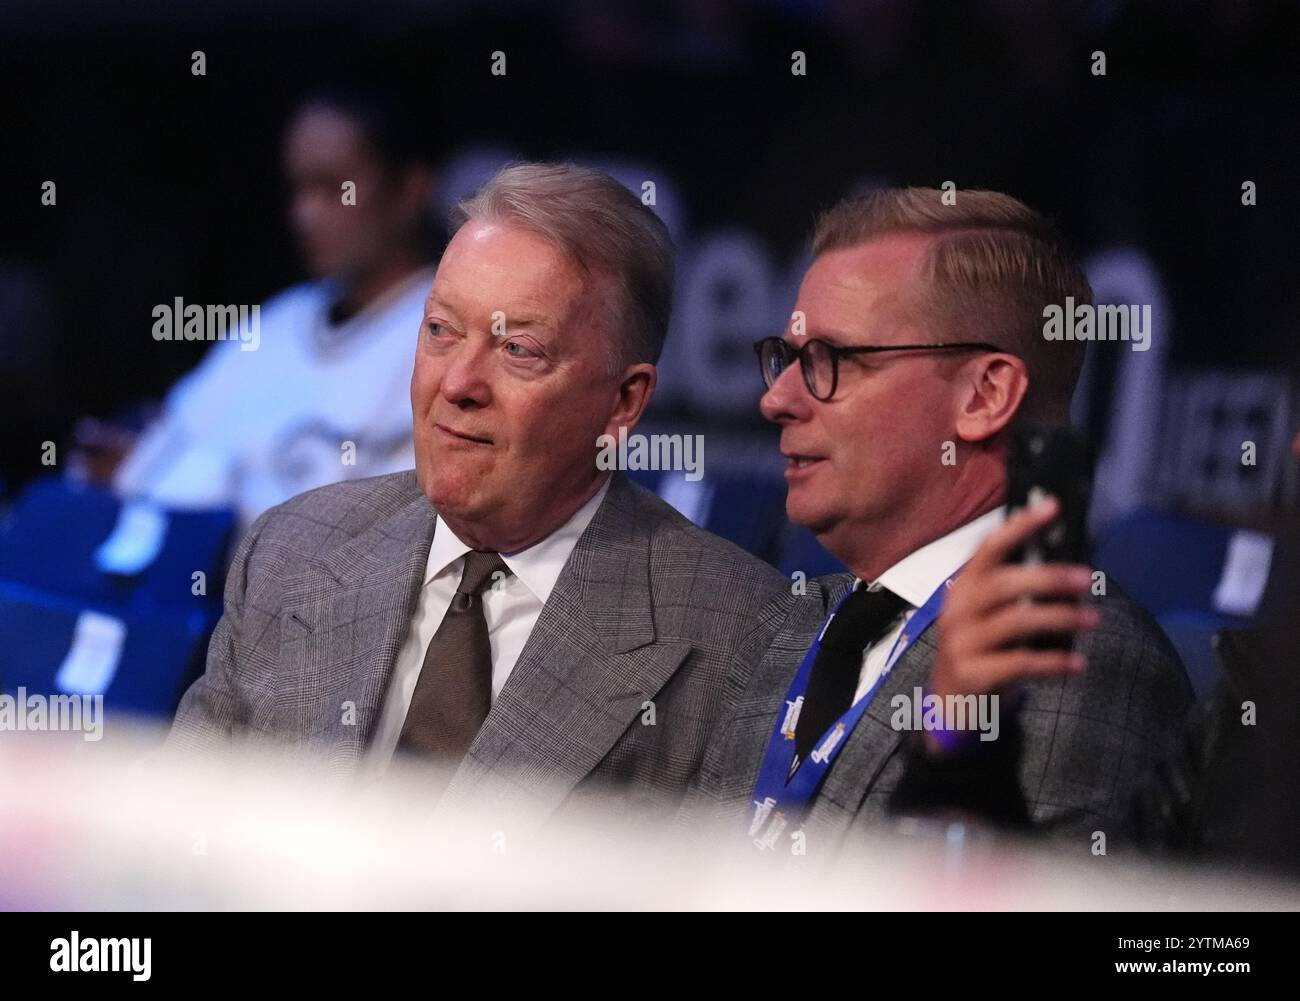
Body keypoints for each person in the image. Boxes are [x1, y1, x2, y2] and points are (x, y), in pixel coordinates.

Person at [166, 163, 788, 826]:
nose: (457, 382)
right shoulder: (289, 551)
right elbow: (171, 846)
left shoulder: (740, 635)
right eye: (440, 330)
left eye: (517, 348)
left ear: (623, 400)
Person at [686, 188, 1193, 856]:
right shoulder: (783, 629)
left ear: (983, 397)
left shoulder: (1071, 656)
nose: (776, 398)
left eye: (828, 361)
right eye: (786, 358)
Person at [79, 84, 440, 529]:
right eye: (298, 189)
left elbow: (374, 535)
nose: (304, 214)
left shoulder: (446, 334)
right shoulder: (280, 319)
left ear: (410, 189)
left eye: (332, 187)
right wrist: (134, 461)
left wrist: (190, 480)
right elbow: (166, 438)